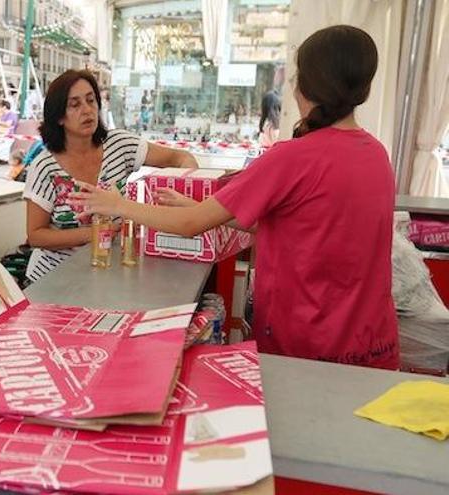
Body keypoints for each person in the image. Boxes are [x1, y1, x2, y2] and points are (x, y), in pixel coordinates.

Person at [73, 26, 399, 370]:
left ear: (306, 86)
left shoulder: (292, 157)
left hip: (305, 348)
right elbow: (306, 233)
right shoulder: (376, 154)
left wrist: (117, 205)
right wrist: (201, 209)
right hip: (371, 349)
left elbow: (188, 227)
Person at [23, 70, 197, 283]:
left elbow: (180, 158)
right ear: (59, 116)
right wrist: (98, 232)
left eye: (91, 100)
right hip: (52, 279)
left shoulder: (119, 145)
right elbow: (36, 236)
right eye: (75, 104)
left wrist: (186, 196)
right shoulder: (44, 166)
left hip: (107, 272)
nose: (87, 110)